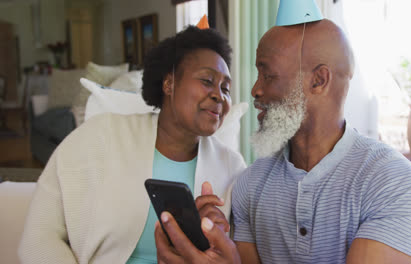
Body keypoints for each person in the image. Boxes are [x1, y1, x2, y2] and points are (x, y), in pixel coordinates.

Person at [154, 18, 411, 264]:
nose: (255, 89)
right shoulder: (249, 185)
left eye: (268, 75)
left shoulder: (392, 181)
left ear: (318, 81)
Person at [19, 25, 246, 264]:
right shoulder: (98, 137)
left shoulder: (232, 167)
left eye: (226, 88)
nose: (219, 96)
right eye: (207, 80)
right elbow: (38, 237)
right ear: (169, 84)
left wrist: (215, 240)